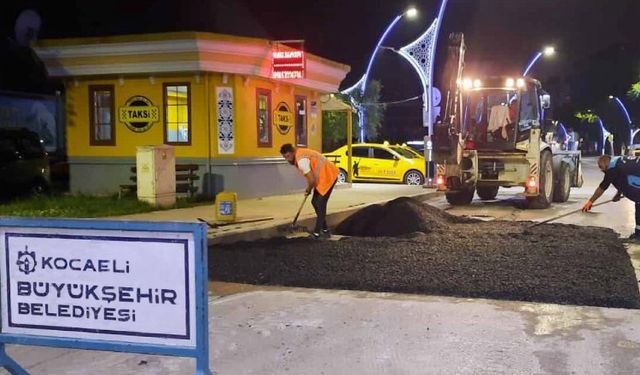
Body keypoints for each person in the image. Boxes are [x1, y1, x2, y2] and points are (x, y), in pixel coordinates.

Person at [280, 143, 339, 239]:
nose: (287, 160)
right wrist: (310, 188)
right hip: (322, 177)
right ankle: (325, 230)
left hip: (328, 175)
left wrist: (308, 189)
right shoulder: (300, 154)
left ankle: (317, 233)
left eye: (288, 156)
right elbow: (312, 177)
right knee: (315, 202)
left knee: (320, 203)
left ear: (293, 152)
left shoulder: (301, 160)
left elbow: (311, 180)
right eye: (285, 157)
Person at [582, 155, 640, 240]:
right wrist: (618, 194)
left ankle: (638, 235)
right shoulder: (617, 161)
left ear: (605, 163)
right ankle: (638, 233)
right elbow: (623, 177)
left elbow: (602, 187)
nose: (601, 170)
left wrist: (590, 202)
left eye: (601, 167)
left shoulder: (611, 169)